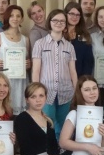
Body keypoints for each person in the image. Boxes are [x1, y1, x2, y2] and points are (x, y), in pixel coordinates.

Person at [32, 9, 79, 140]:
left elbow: (73, 71)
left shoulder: (69, 46)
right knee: (47, 125)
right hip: (46, 92)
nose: (59, 23)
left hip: (66, 92)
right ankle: (48, 151)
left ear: (65, 25)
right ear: (50, 22)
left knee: (63, 127)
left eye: (62, 21)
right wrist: (36, 91)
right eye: (55, 20)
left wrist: (76, 91)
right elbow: (36, 70)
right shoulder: (40, 44)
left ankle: (61, 150)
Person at [0, 4, 31, 115]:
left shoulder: (25, 39)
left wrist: (28, 65)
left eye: (18, 16)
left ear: (22, 19)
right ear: (7, 17)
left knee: (20, 115)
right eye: (12, 16)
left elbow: (28, 62)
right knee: (5, 111)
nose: (15, 18)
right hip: (5, 81)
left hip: (21, 82)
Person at [64, 2, 94, 78]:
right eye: (72, 14)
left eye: (78, 15)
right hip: (61, 78)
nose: (75, 17)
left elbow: (88, 62)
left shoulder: (85, 35)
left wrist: (83, 81)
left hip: (79, 79)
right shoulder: (58, 34)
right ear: (65, 14)